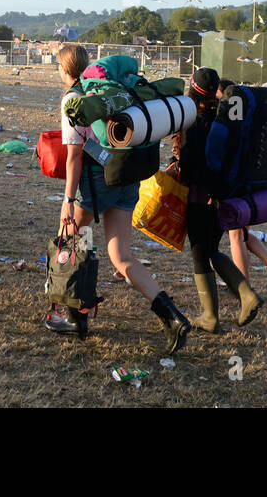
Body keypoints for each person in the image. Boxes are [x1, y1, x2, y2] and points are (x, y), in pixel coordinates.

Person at [45, 44, 190, 354]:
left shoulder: (75, 100)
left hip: (96, 181)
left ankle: (74, 317)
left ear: (64, 70)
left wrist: (68, 200)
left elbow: (74, 157)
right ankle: (172, 316)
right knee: (121, 256)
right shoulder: (109, 91)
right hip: (126, 177)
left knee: (69, 242)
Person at [173, 69, 262, 332]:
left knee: (201, 255)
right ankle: (242, 296)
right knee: (211, 250)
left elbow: (189, 169)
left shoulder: (194, 122)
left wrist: (176, 168)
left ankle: (217, 314)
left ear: (192, 92)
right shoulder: (223, 119)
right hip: (224, 197)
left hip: (201, 198)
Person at [219, 79, 267, 297]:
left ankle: (244, 288)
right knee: (243, 232)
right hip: (258, 176)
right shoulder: (253, 111)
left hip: (238, 180)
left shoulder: (232, 111)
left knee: (235, 236)